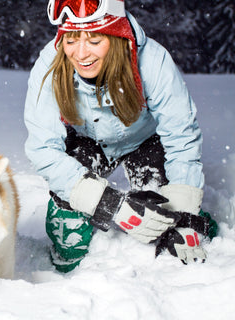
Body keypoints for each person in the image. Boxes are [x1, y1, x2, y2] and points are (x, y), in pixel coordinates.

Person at [24, 0, 217, 272]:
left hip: (144, 142)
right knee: (69, 238)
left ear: (115, 35)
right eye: (71, 39)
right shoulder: (49, 65)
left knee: (164, 220)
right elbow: (43, 149)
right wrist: (109, 204)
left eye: (94, 40)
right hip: (87, 144)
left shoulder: (153, 61)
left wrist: (185, 216)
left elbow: (181, 137)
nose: (80, 53)